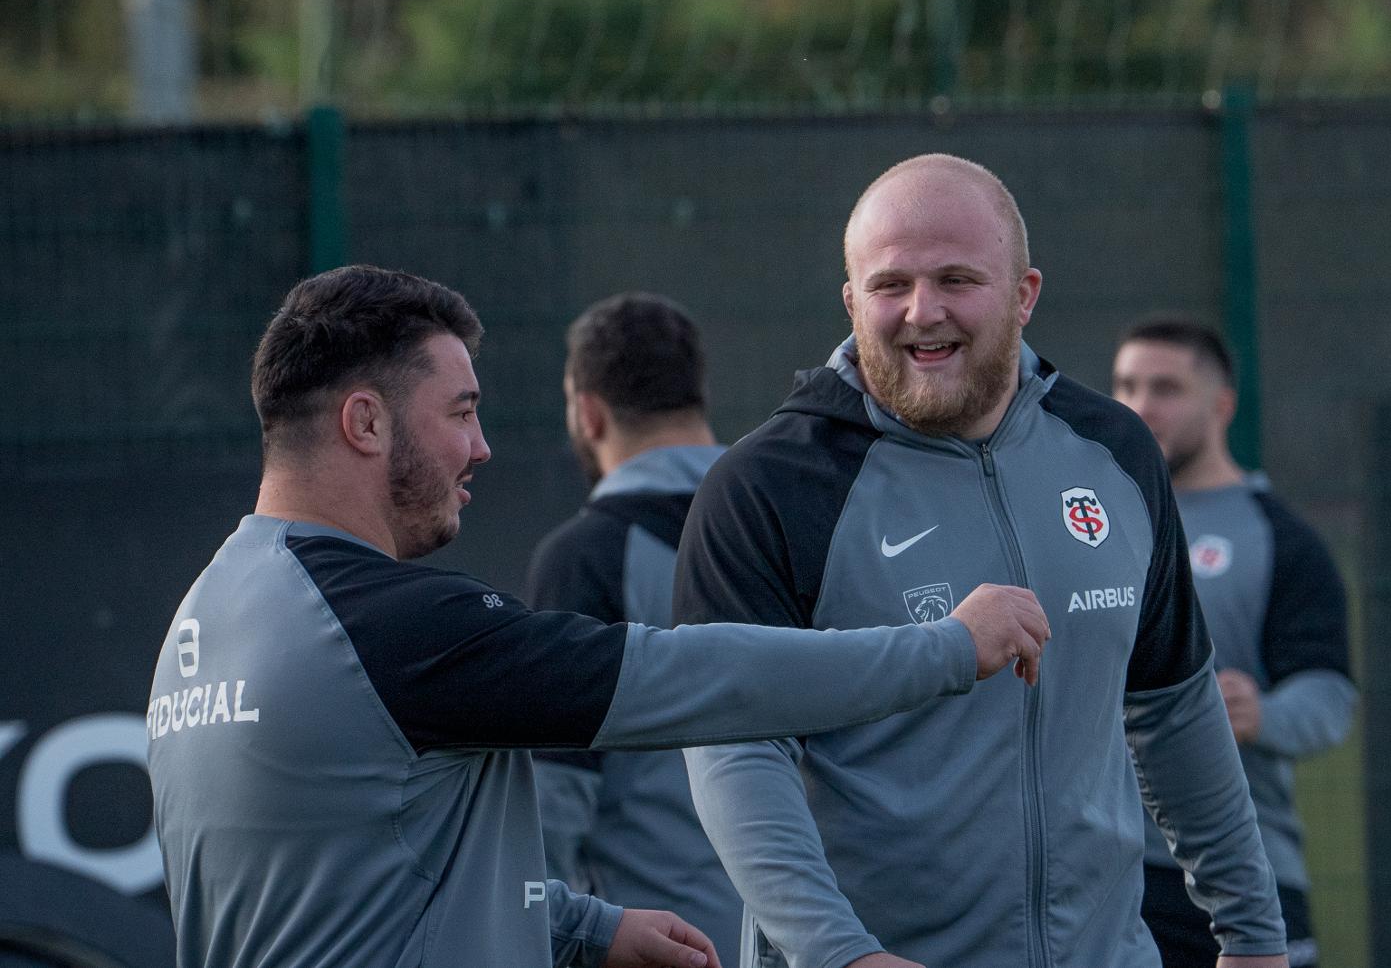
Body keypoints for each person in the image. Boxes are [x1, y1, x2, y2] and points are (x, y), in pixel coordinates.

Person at [145, 264, 1050, 968]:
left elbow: (363, 874)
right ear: (365, 423)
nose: (480, 446)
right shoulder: (387, 629)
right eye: (460, 412)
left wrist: (586, 928)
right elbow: (692, 676)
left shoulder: (210, 612)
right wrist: (944, 647)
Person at [673, 153, 1290, 968]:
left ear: (1025, 294)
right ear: (852, 301)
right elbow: (735, 755)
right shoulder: (768, 487)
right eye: (890, 285)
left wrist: (1251, 934)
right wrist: (840, 955)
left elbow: (1174, 703)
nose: (921, 312)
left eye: (957, 279)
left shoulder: (1114, 452)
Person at [1112, 318, 1354, 968]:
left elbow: (1329, 698)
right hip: (1107, 870)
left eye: (1164, 388)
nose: (1140, 406)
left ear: (1220, 405)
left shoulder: (1280, 539)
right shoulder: (1091, 524)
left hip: (1240, 869)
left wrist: (1262, 714)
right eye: (1126, 385)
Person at [526, 292, 743, 947]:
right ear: (696, 396)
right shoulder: (793, 522)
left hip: (662, 945)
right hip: (824, 939)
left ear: (587, 413)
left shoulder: (583, 559)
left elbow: (554, 797)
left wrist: (539, 940)